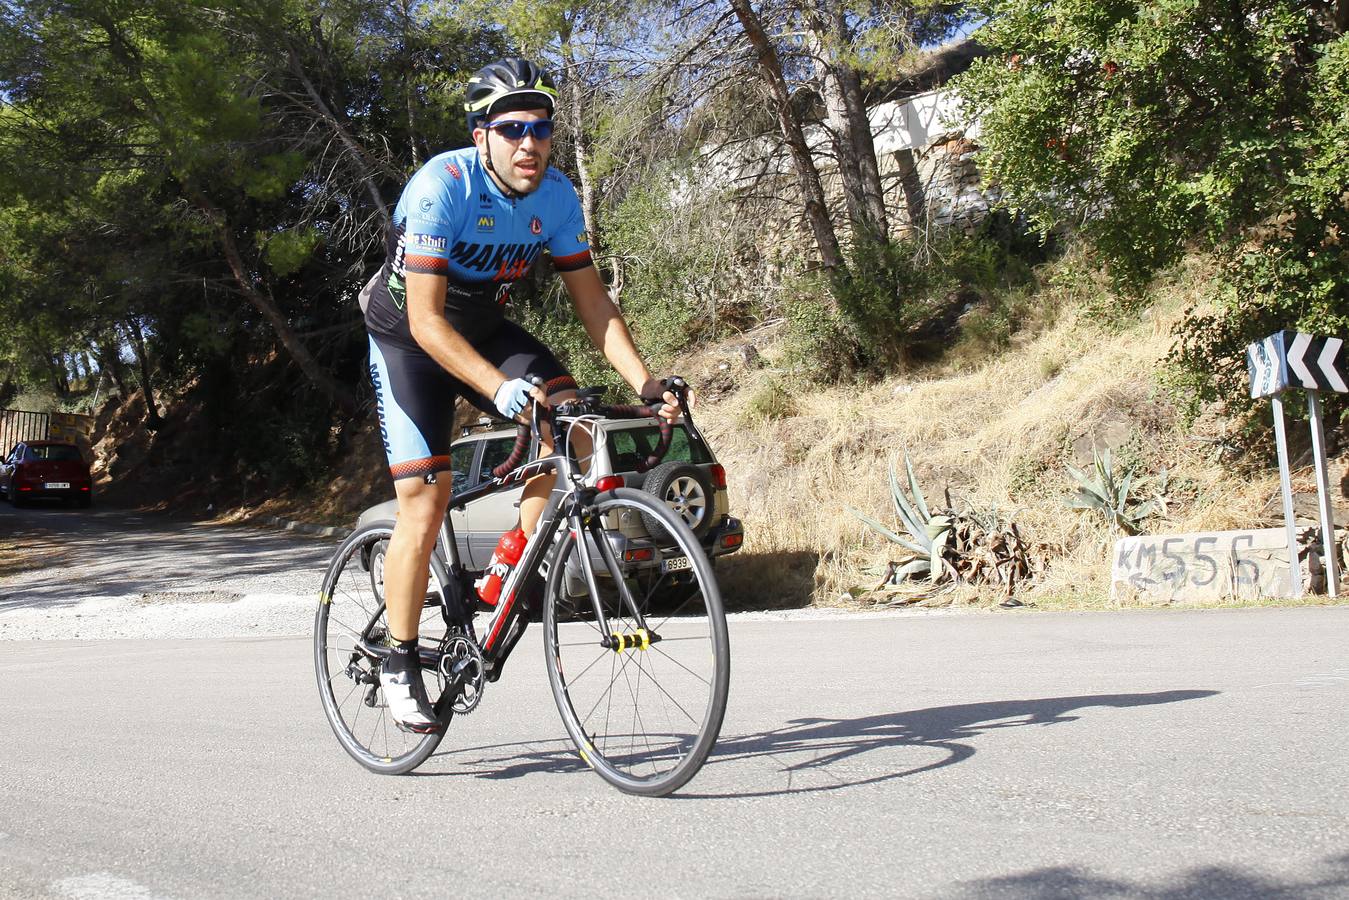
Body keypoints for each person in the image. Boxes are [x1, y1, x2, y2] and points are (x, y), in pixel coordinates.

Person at [360, 57, 684, 733]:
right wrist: (498, 388)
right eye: (511, 128)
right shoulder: (441, 186)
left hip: (482, 327)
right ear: (482, 135)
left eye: (541, 127)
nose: (529, 142)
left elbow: (594, 305)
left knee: (574, 424)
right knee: (425, 498)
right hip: (406, 338)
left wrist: (647, 383)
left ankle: (510, 566)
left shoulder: (557, 195)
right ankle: (397, 657)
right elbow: (426, 321)